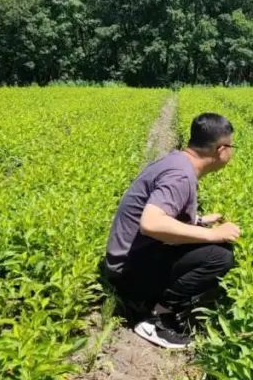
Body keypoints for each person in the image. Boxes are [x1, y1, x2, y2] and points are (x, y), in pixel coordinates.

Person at [99, 113, 240, 349]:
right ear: (221, 149)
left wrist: (200, 220)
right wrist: (214, 234)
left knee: (211, 245)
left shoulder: (177, 162)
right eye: (232, 147)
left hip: (127, 261)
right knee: (219, 255)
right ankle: (156, 317)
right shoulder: (181, 175)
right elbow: (152, 223)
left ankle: (154, 304)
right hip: (127, 272)